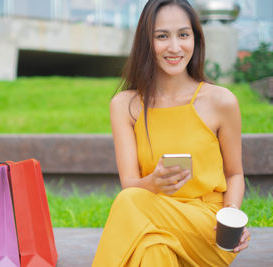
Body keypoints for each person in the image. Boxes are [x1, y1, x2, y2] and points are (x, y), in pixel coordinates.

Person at [92, 0, 250, 266]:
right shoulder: (125, 105)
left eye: (183, 35)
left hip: (207, 228)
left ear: (195, 39)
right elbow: (130, 182)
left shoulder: (221, 101)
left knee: (130, 202)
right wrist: (153, 183)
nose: (175, 47)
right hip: (150, 218)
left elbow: (234, 173)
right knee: (152, 247)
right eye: (162, 36)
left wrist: (231, 216)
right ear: (146, 42)